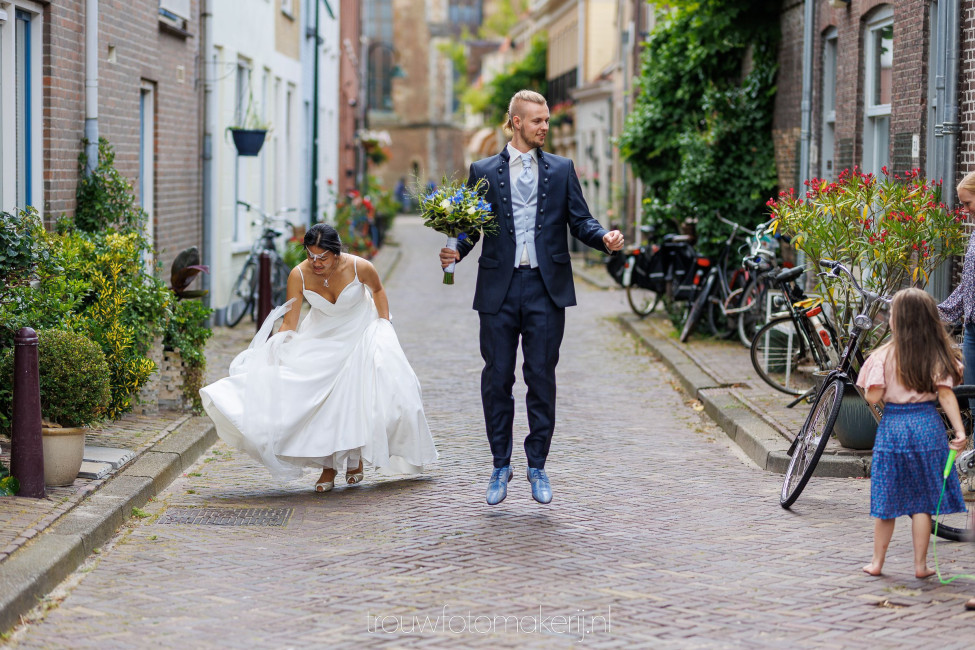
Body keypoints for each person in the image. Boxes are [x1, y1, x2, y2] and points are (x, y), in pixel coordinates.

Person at [439, 89, 624, 505]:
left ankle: (537, 464)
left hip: (546, 287)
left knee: (541, 377)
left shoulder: (561, 169)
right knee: (497, 378)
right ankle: (500, 465)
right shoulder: (483, 170)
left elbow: (580, 220)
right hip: (498, 289)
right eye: (538, 120)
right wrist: (457, 251)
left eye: (547, 120)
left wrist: (604, 239)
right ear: (517, 122)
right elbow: (470, 227)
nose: (545, 126)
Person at [201, 223, 438, 492]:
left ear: (336, 253)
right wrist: (275, 348)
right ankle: (329, 467)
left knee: (358, 394)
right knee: (314, 395)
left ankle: (355, 459)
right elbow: (290, 321)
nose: (315, 263)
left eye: (322, 257)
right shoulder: (298, 275)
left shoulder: (360, 267)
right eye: (310, 255)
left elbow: (378, 290)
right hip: (323, 336)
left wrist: (384, 324)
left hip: (361, 331)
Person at [857, 288, 967, 578]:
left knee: (886, 499)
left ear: (896, 321)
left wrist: (884, 393)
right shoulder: (936, 355)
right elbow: (946, 395)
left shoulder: (883, 356)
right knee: (923, 503)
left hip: (894, 428)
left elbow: (872, 395)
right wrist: (959, 431)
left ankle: (877, 563)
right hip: (927, 426)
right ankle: (920, 566)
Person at [939, 170, 975, 609]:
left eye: (967, 202)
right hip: (973, 329)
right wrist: (934, 310)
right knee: (972, 399)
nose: (963, 210)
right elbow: (967, 290)